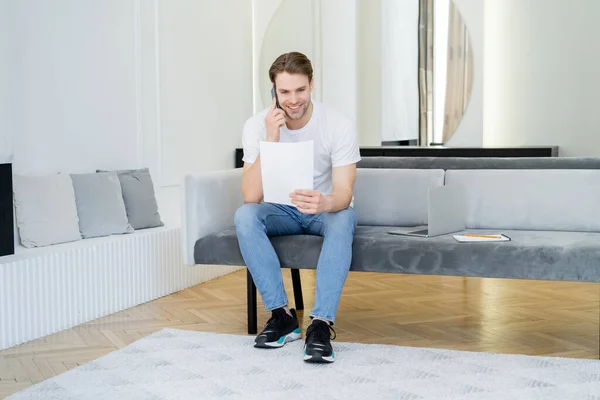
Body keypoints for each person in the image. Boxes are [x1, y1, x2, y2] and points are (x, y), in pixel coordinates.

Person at [234, 51, 361, 364]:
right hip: (282, 210)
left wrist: (325, 201)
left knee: (344, 218)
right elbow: (251, 196)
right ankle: (282, 316)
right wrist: (271, 139)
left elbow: (344, 193)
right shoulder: (257, 126)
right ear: (274, 92)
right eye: (284, 92)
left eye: (300, 90)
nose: (293, 100)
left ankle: (320, 325)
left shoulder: (339, 124)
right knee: (245, 216)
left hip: (324, 209)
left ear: (312, 85)